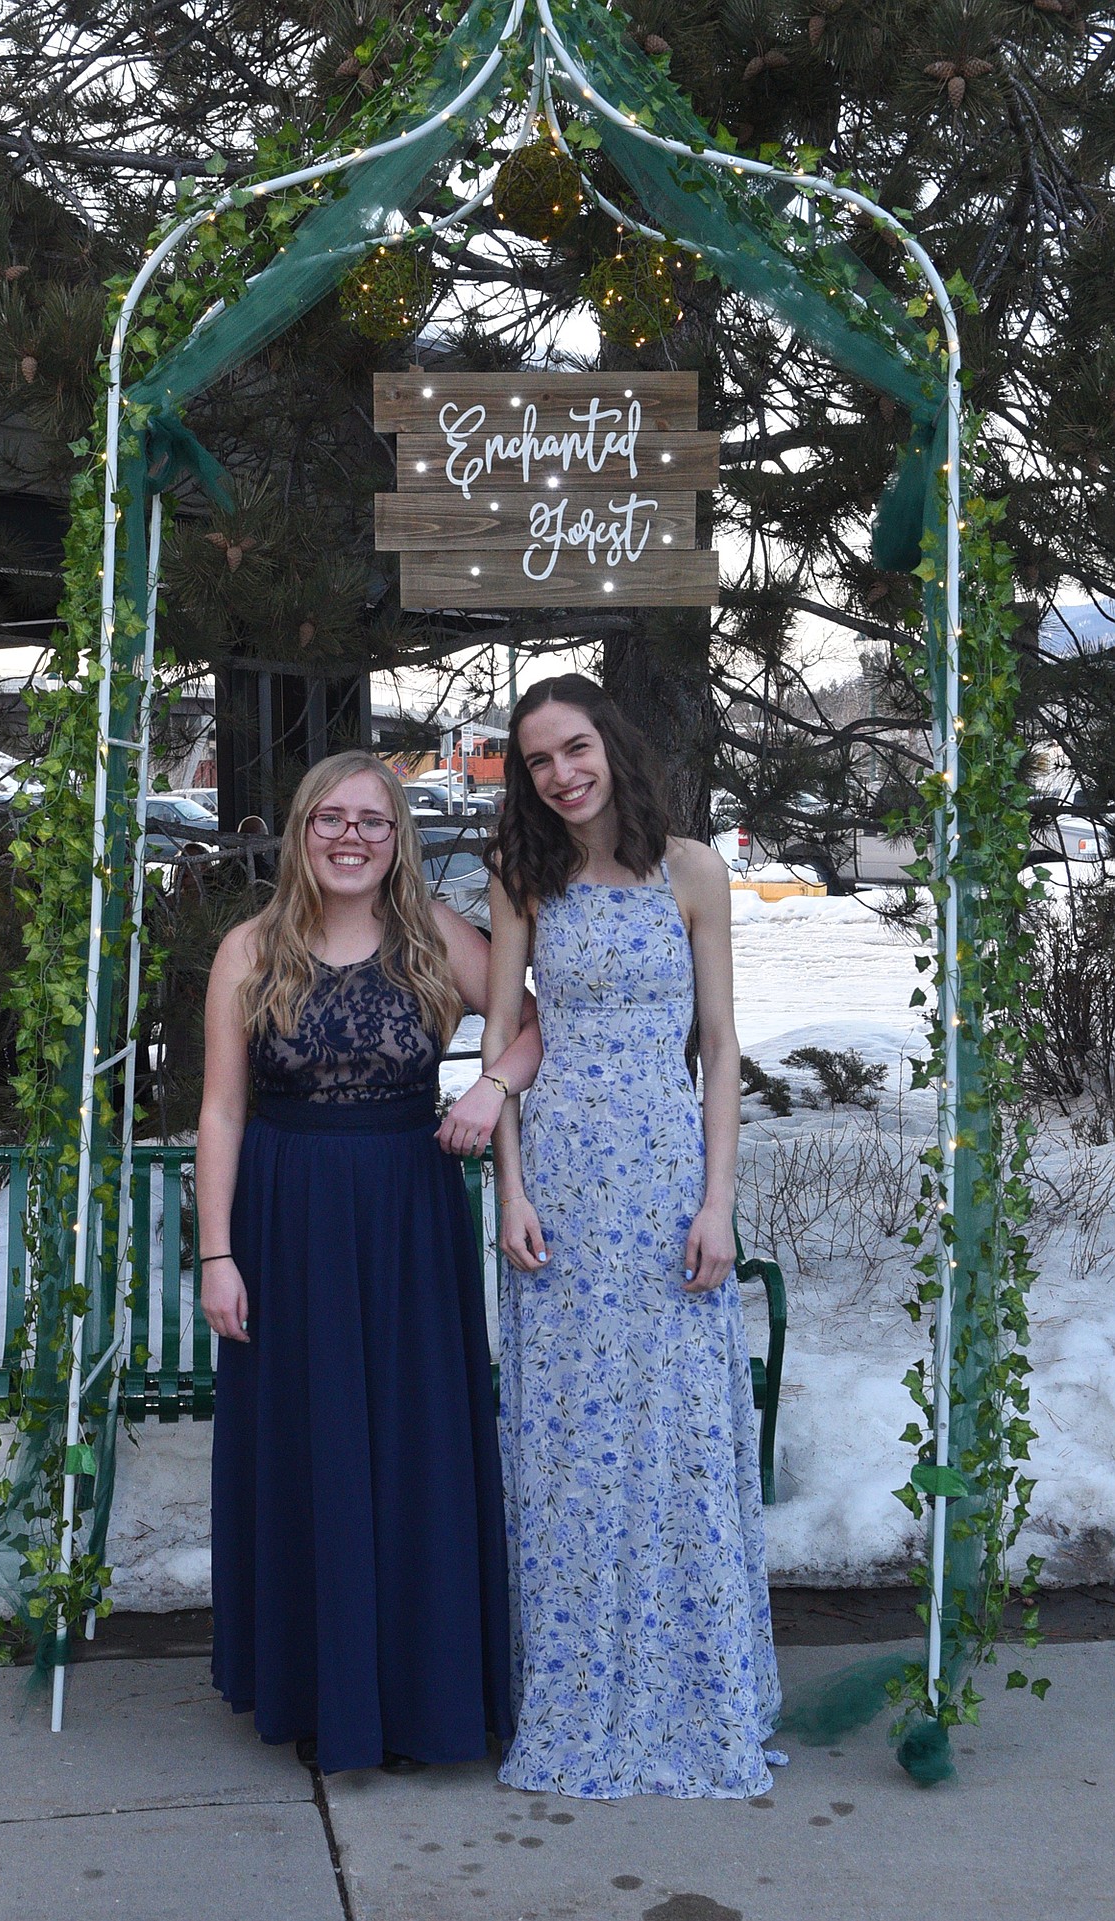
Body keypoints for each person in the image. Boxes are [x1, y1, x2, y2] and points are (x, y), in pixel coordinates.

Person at [197, 749, 541, 1774]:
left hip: (407, 1215)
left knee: (413, 1448)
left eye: (374, 821)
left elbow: (533, 1024)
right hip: (286, 1217)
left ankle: (420, 1694)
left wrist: (492, 1088)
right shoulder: (251, 950)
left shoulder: (435, 935)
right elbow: (219, 1109)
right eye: (331, 819)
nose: (351, 837)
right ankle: (318, 1689)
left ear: (400, 838)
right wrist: (217, 1252)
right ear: (302, 832)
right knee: (311, 1449)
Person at [482, 675, 782, 1800]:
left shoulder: (693, 868)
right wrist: (509, 1190)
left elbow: (717, 1044)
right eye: (539, 762)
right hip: (559, 1183)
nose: (561, 775)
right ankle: (573, 1690)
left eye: (574, 749)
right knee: (568, 1445)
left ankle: (691, 1690)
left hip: (663, 1182)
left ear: (611, 741)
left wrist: (718, 1202)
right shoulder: (527, 875)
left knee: (677, 1433)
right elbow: (507, 1039)